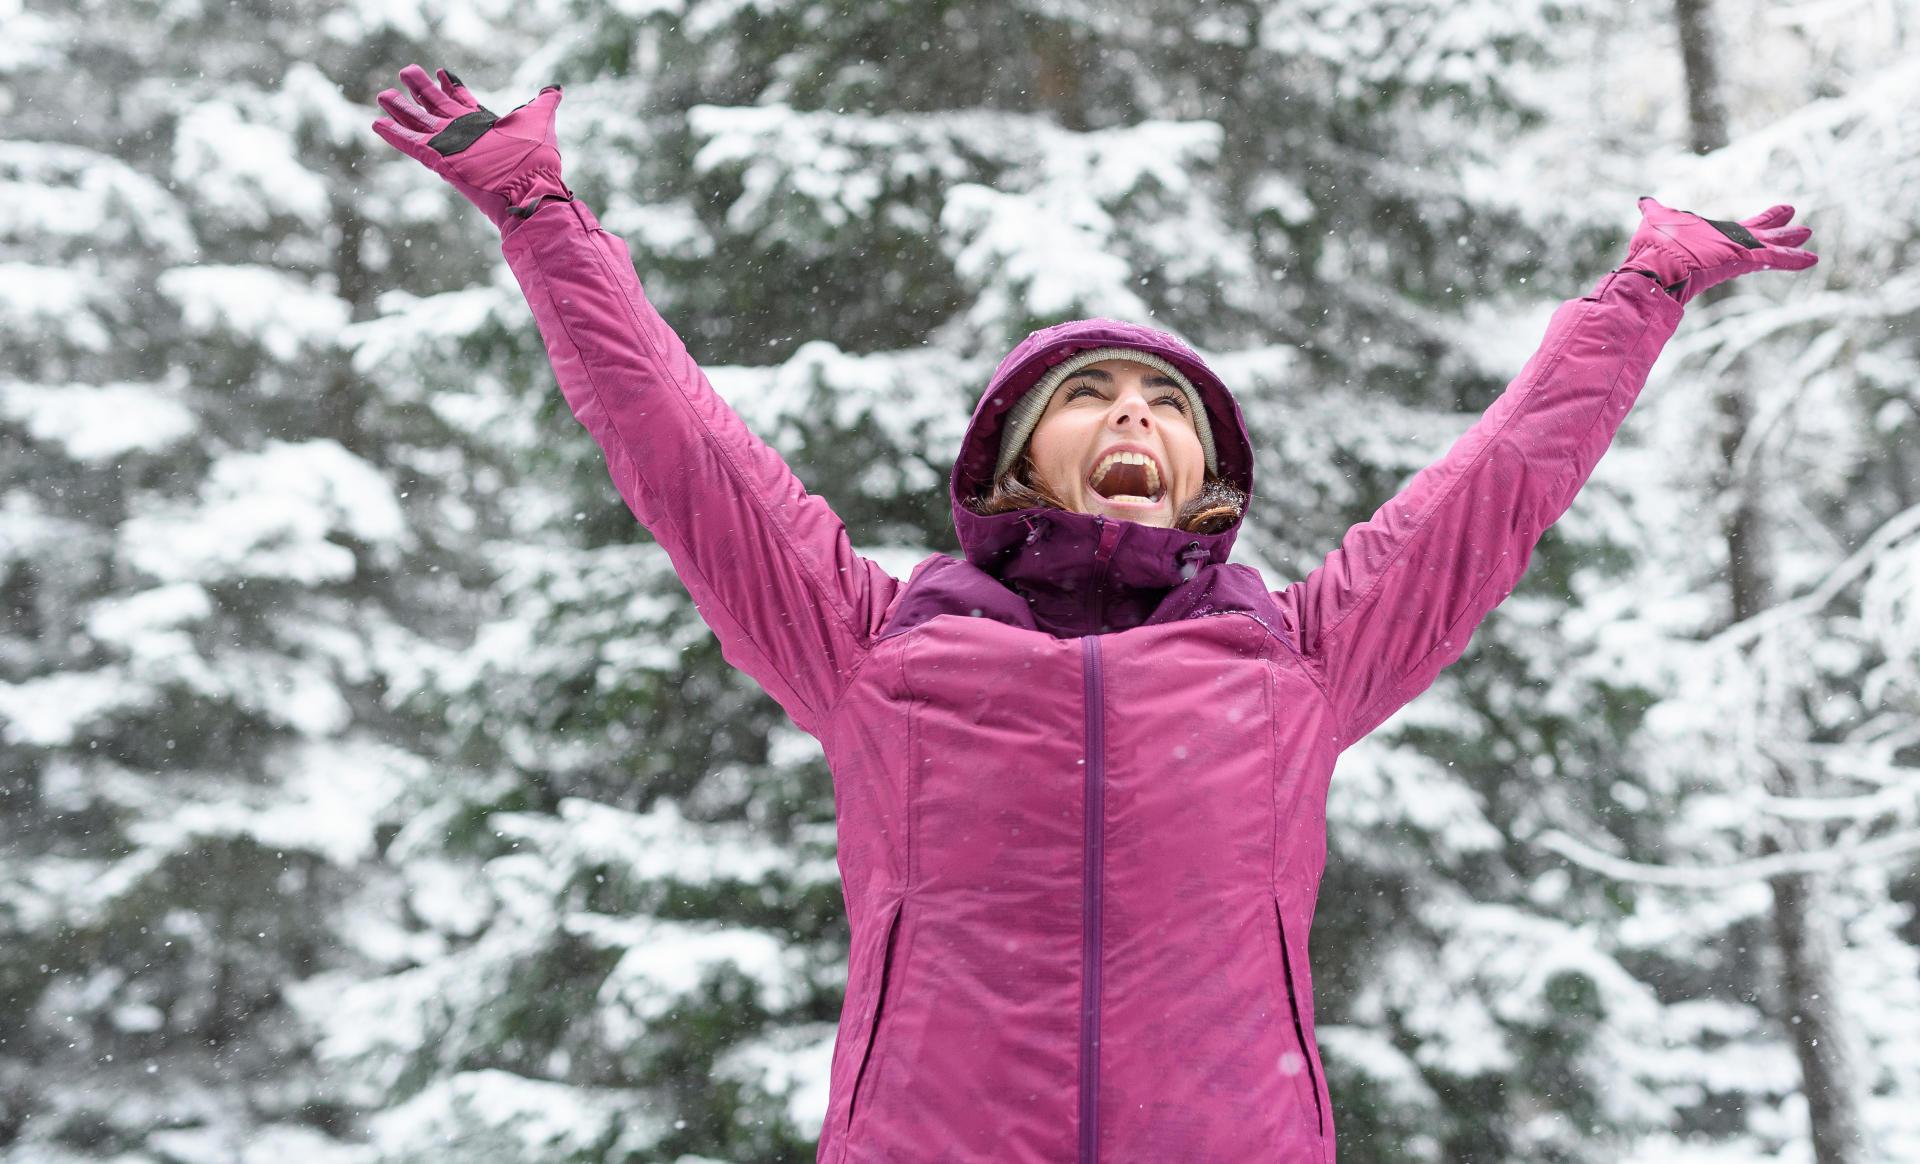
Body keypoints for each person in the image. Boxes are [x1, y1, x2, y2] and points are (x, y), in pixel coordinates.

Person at [372, 64, 1817, 1163]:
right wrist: (537, 210)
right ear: (1012, 462)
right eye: (1092, 395)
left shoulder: (1299, 661)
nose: (1136, 412)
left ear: (1205, 481)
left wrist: (1646, 285)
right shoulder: (878, 652)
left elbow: (1504, 477)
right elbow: (677, 441)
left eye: (1167, 407)